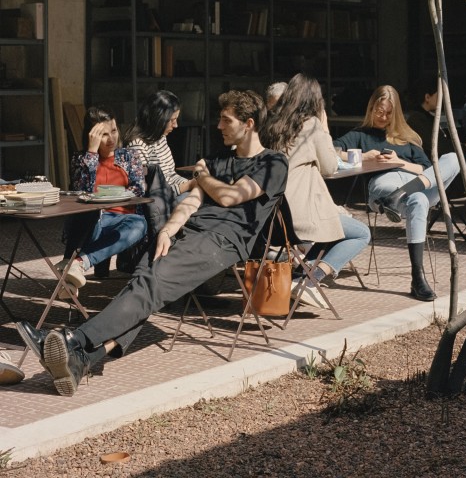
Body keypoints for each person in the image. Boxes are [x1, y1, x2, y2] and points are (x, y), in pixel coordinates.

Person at [16, 90, 288, 397]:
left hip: (221, 242)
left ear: (249, 124)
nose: (219, 126)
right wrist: (167, 232)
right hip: (189, 233)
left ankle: (73, 341)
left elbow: (230, 196)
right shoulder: (217, 160)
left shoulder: (273, 163)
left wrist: (201, 174)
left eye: (226, 120)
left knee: (150, 286)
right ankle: (82, 360)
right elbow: (190, 204)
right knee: (141, 285)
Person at [333, 85, 460, 302]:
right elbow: (332, 151)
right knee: (418, 200)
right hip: (384, 185)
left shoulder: (406, 138)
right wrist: (366, 157)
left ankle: (401, 195)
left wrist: (399, 162)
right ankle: (417, 278)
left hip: (412, 184)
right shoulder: (360, 135)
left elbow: (427, 169)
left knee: (453, 159)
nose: (383, 117)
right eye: (379, 111)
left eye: (388, 113)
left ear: (396, 112)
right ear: (371, 108)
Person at [262, 74, 370, 308]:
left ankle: (301, 274)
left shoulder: (273, 125)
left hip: (275, 215)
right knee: (361, 233)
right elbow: (330, 167)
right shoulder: (310, 125)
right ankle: (309, 281)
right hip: (302, 215)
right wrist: (324, 127)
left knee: (333, 230)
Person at [58, 106, 147, 295]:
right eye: (103, 134)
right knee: (87, 211)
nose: (111, 138)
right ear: (92, 136)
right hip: (92, 220)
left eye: (114, 131)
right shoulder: (80, 159)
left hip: (123, 220)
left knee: (140, 224)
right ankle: (72, 271)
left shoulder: (129, 157)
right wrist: (91, 152)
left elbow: (139, 189)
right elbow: (82, 191)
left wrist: (109, 195)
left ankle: (76, 264)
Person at [406, 76, 466, 187]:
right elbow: (439, 148)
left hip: (449, 158)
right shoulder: (418, 120)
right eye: (439, 95)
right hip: (442, 166)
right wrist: (464, 148)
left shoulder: (423, 117)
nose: (442, 98)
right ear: (427, 97)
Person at [124, 90, 197, 199]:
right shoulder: (137, 146)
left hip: (175, 192)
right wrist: (189, 185)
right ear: (159, 119)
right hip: (160, 201)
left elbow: (171, 175)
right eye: (172, 120)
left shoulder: (160, 137)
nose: (176, 125)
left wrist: (193, 184)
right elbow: (148, 190)